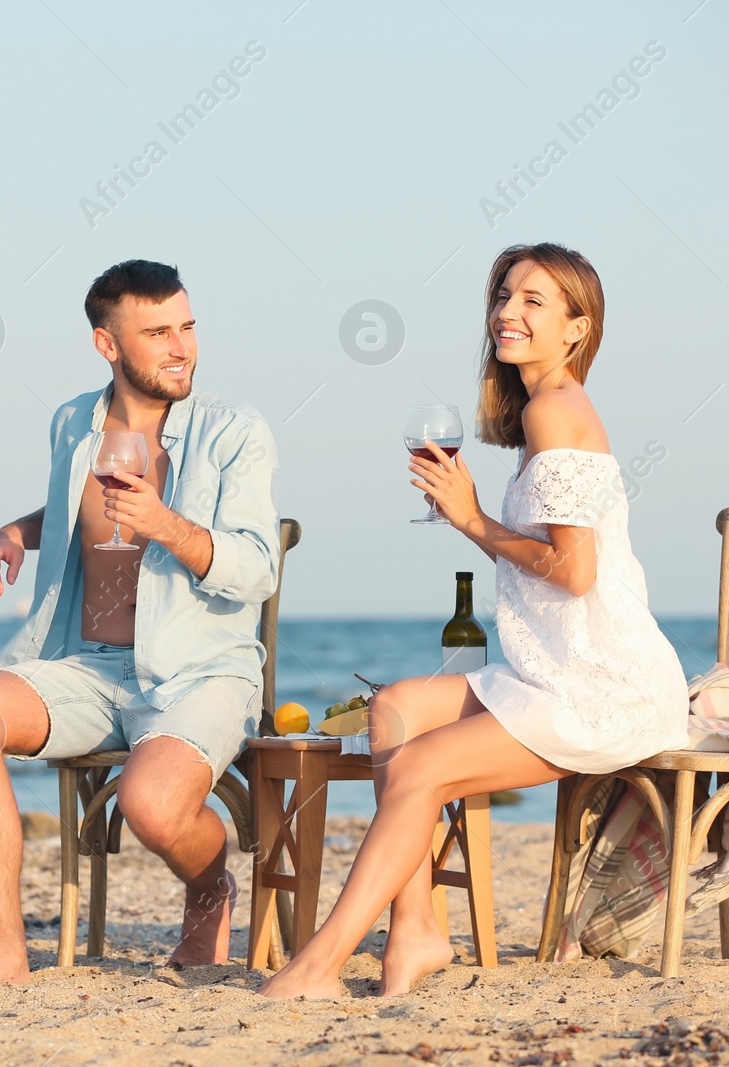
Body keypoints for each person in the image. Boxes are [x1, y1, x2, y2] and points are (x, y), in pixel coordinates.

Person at [259, 242, 689, 999]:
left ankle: (318, 963)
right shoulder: (540, 413)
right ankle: (418, 926)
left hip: (600, 687)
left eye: (533, 302)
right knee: (392, 706)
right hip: (548, 671)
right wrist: (473, 517)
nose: (508, 313)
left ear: (577, 328)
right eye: (504, 296)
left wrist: (472, 520)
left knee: (422, 768)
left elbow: (575, 570)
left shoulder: (558, 410)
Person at [0, 259, 281, 987]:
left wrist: (166, 526)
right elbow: (71, 509)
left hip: (200, 667)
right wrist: (14, 533)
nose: (180, 346)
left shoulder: (234, 431)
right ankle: (5, 948)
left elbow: (256, 567)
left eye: (187, 326)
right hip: (87, 665)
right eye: (157, 332)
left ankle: (211, 887)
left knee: (150, 806)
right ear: (107, 344)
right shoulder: (72, 423)